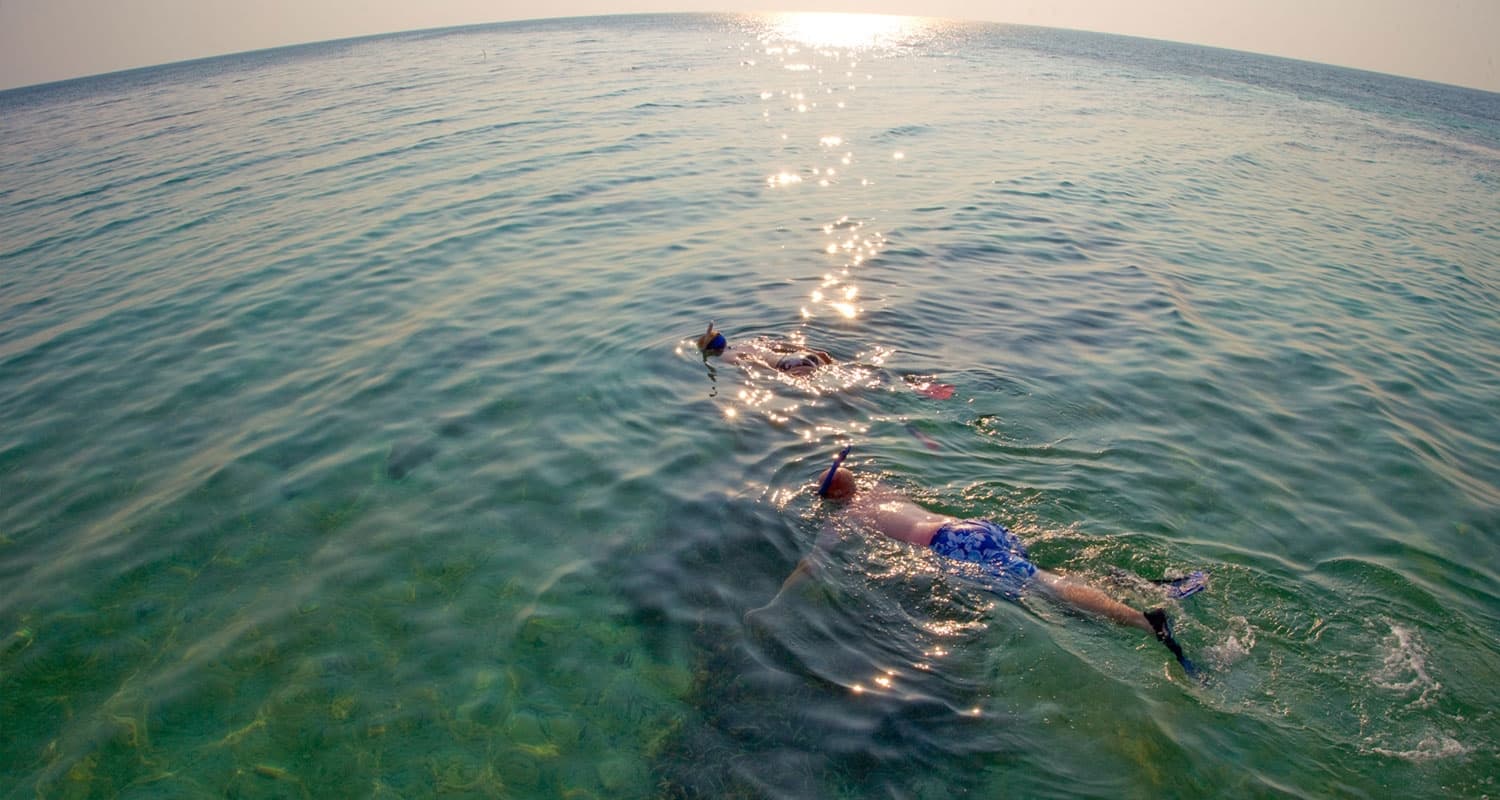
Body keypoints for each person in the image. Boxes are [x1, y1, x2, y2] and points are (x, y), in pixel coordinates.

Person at [754, 446, 1204, 677]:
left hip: (955, 547)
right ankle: (1143, 584)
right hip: (975, 528)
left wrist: (775, 603)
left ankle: (1146, 621)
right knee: (1045, 574)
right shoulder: (881, 490)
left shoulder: (845, 518)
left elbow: (812, 565)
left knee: (1045, 587)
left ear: (831, 499)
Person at [696, 321, 834, 377]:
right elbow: (779, 345)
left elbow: (751, 362)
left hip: (788, 366)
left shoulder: (726, 355)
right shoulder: (747, 344)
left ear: (711, 351)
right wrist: (813, 352)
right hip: (802, 356)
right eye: (718, 341)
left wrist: (778, 374)